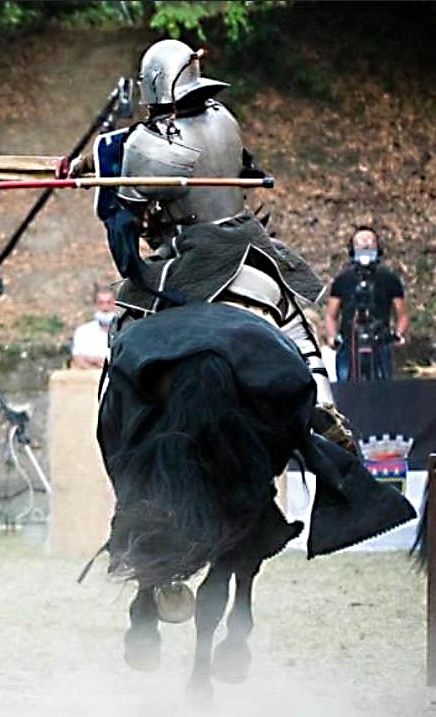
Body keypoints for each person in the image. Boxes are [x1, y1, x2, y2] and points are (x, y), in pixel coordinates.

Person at [93, 39, 357, 454]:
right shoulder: (222, 118)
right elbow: (248, 167)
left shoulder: (147, 142)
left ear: (153, 85)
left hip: (194, 251)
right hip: (247, 238)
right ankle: (324, 404)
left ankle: (115, 422)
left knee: (127, 317)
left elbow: (131, 214)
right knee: (288, 313)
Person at [324, 227, 408, 381]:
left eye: (369, 241)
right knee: (345, 385)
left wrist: (398, 334)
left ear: (378, 247)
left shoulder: (389, 279)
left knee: (384, 385)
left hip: (380, 341)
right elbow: (331, 314)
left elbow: (401, 314)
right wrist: (332, 336)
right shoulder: (343, 280)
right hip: (349, 341)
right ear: (352, 248)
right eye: (359, 242)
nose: (365, 245)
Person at [70, 284, 117, 369]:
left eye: (109, 303)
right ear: (95, 305)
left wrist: (93, 360)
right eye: (101, 303)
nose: (105, 308)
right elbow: (78, 358)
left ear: (115, 305)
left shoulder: (125, 330)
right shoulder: (83, 332)